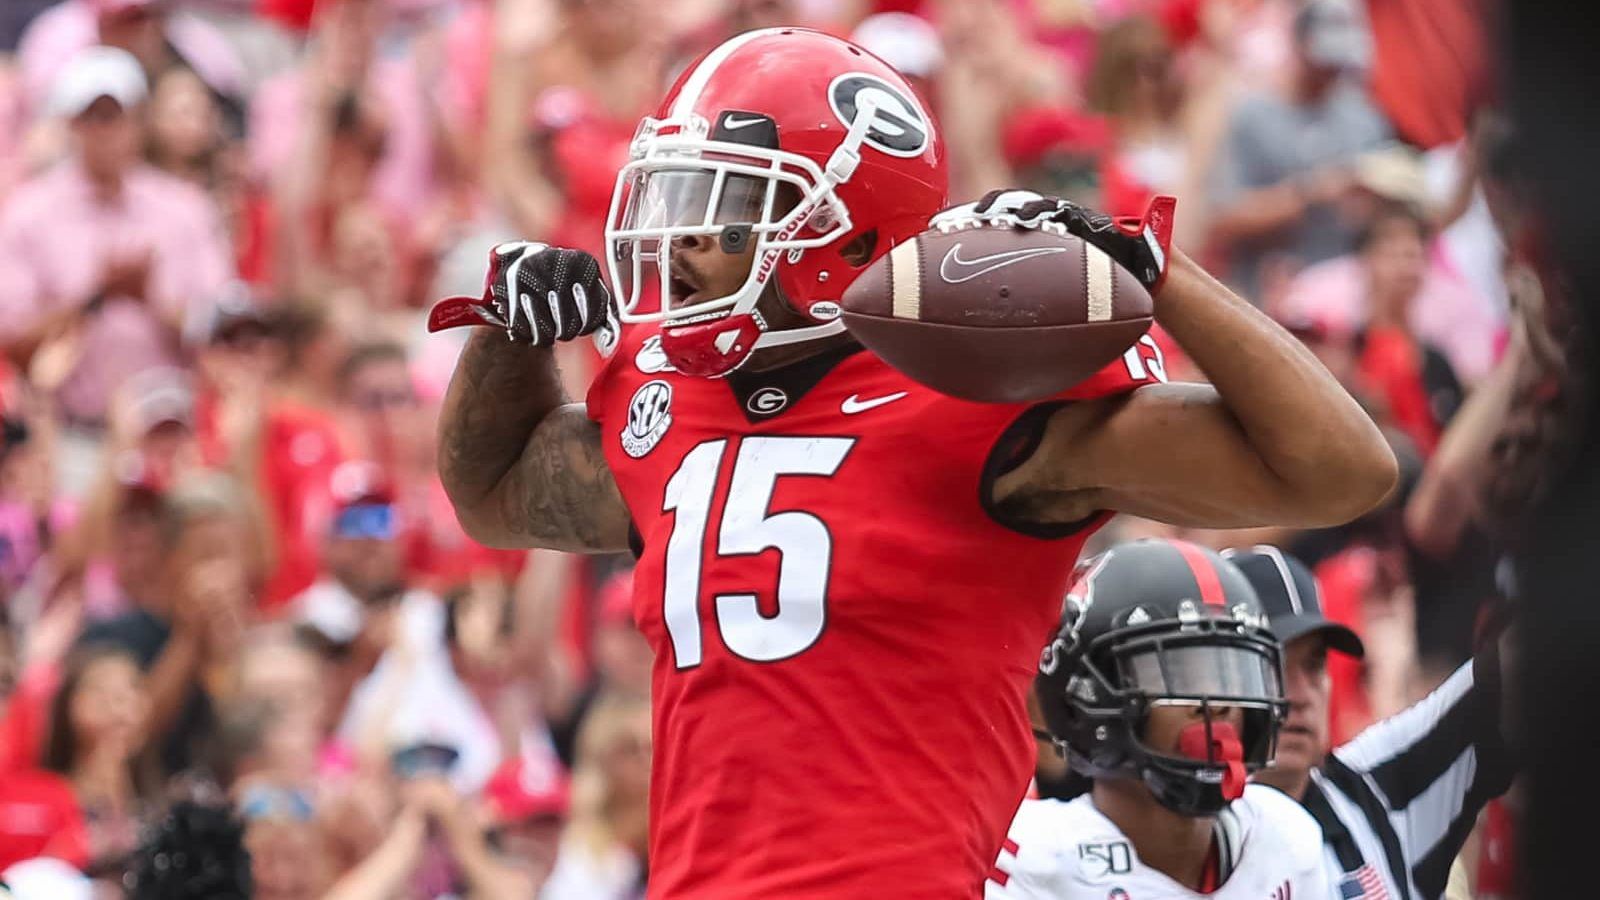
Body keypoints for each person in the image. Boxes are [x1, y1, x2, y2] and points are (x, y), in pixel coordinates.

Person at [433, 28, 1397, 896]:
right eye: (675, 192)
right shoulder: (670, 394)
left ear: (843, 226)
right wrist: (508, 340)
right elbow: (495, 495)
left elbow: (1341, 472)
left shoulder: (981, 398)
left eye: (723, 205)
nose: (676, 237)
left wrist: (1152, 267)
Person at [988, 538, 1328, 898]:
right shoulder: (1032, 862)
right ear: (1088, 696)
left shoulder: (1285, 840)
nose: (1218, 704)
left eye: (1233, 673)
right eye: (1179, 672)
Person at [1228, 544, 1516, 899]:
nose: (1300, 694)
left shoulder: (1377, 788)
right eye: (1271, 666)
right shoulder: (1174, 841)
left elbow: (1518, 665)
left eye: (1314, 664)